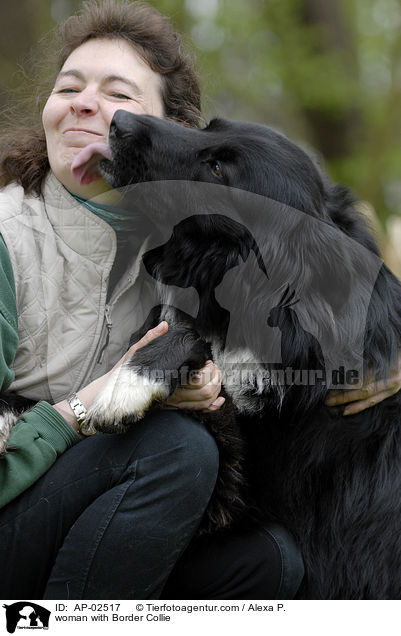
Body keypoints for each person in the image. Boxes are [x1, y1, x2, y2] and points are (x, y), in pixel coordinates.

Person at [0, 0, 399, 601]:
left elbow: (331, 294)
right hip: (17, 502)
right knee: (175, 451)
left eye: (120, 95)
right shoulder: (9, 234)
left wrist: (389, 351)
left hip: (99, 512)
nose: (88, 105)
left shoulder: (177, 249)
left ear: (171, 124)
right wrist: (94, 406)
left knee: (272, 562)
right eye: (69, 87)